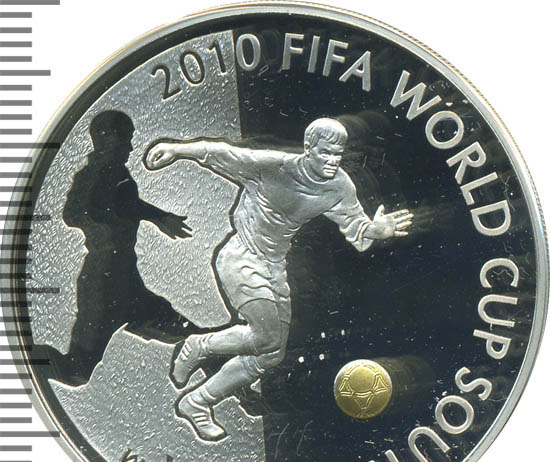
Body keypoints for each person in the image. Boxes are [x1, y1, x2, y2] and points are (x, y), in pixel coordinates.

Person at [144, 118, 413, 441]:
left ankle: (197, 402)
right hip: (242, 257)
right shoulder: (273, 166)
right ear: (309, 148)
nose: (332, 161)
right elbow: (220, 152)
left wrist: (375, 230)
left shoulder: (339, 185)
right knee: (266, 338)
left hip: (274, 265)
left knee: (271, 354)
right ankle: (200, 346)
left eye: (337, 154)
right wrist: (175, 149)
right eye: (325, 153)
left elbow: (356, 225)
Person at [61, 110, 193, 381]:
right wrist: (100, 226)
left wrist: (158, 216)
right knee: (76, 371)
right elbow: (76, 212)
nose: (131, 147)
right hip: (104, 284)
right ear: (107, 138)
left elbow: (123, 204)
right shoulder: (97, 174)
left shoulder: (112, 173)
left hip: (122, 278)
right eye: (126, 139)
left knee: (187, 334)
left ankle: (241, 389)